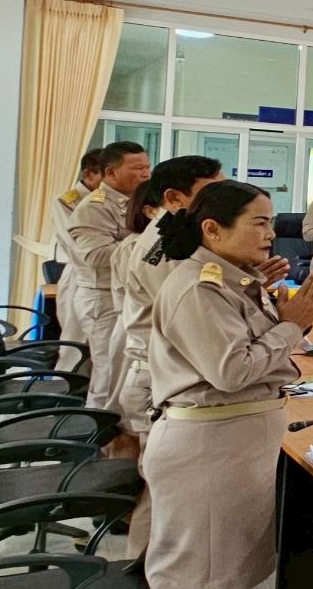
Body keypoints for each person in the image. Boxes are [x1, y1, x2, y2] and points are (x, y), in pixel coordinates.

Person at [143, 182, 313, 589]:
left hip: (228, 446)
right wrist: (293, 324)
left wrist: (267, 297)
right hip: (205, 451)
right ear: (212, 229)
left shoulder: (227, 280)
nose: (272, 233)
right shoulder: (196, 287)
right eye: (259, 222)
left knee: (212, 583)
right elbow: (232, 369)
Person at [110, 154, 222, 537]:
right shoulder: (162, 246)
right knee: (162, 490)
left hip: (164, 373)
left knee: (162, 487)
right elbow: (189, 313)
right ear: (174, 198)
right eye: (209, 192)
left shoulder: (175, 236)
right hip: (158, 378)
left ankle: (147, 566)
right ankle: (144, 570)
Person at [65, 141, 151, 413]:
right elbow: (97, 256)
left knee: (122, 371)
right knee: (107, 373)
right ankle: (99, 430)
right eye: (137, 168)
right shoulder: (94, 207)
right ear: (111, 173)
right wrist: (143, 245)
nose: (145, 174)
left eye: (147, 167)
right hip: (102, 299)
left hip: (124, 296)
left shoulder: (136, 203)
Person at [49, 147, 105, 354]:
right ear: (88, 174)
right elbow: (77, 245)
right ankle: (68, 376)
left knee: (103, 347)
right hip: (81, 275)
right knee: (76, 343)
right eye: (106, 176)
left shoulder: (113, 200)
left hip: (108, 278)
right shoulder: (67, 201)